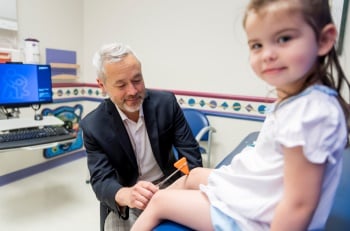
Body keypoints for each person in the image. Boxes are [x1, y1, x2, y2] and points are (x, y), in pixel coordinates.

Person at [131, 0, 350, 230]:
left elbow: (299, 205)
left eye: (284, 39)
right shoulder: (301, 100)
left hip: (257, 219)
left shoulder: (310, 114)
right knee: (193, 175)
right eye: (256, 45)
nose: (267, 54)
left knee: (159, 201)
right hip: (257, 194)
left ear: (324, 40)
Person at [79, 42, 203, 231]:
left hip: (172, 184)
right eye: (121, 84)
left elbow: (192, 157)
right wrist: (126, 195)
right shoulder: (93, 126)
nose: (133, 91)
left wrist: (171, 193)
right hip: (129, 195)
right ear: (102, 85)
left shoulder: (166, 104)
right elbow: (101, 180)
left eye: (137, 80)